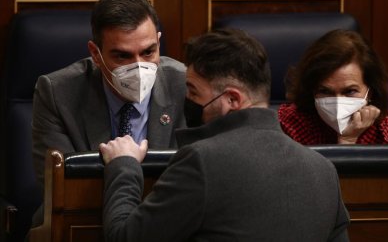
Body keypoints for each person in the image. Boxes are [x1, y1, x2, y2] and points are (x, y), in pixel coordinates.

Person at [99, 28, 350, 241]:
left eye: (193, 92)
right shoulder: (324, 171)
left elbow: (124, 237)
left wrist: (124, 165)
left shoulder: (202, 162)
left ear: (232, 99)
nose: (187, 100)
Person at [32, 0, 187, 196]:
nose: (139, 68)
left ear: (159, 43)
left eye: (148, 52)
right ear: (96, 54)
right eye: (123, 56)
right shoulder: (57, 93)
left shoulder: (185, 85)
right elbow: (63, 190)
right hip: (85, 220)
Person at [278, 29, 388, 145]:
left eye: (350, 91)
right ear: (311, 90)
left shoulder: (385, 133)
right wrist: (346, 141)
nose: (337, 104)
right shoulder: (287, 125)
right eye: (325, 91)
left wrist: (348, 139)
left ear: (370, 92)